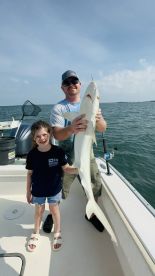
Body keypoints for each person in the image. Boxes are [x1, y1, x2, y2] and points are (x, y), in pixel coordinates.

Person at [43, 70, 107, 233]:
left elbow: (102, 128)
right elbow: (56, 133)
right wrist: (71, 128)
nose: (72, 85)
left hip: (87, 154)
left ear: (80, 85)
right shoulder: (59, 108)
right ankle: (52, 214)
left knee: (94, 185)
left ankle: (91, 213)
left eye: (75, 81)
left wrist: (98, 119)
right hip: (65, 156)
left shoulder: (93, 105)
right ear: (63, 88)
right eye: (67, 83)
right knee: (59, 188)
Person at [26, 120, 78, 252]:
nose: (41, 138)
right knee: (39, 212)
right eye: (38, 136)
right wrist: (28, 192)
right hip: (38, 190)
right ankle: (36, 233)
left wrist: (79, 169)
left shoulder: (58, 151)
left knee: (55, 211)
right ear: (34, 138)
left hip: (54, 189)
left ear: (49, 134)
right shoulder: (31, 155)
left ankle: (57, 232)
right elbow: (29, 174)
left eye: (44, 134)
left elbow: (66, 168)